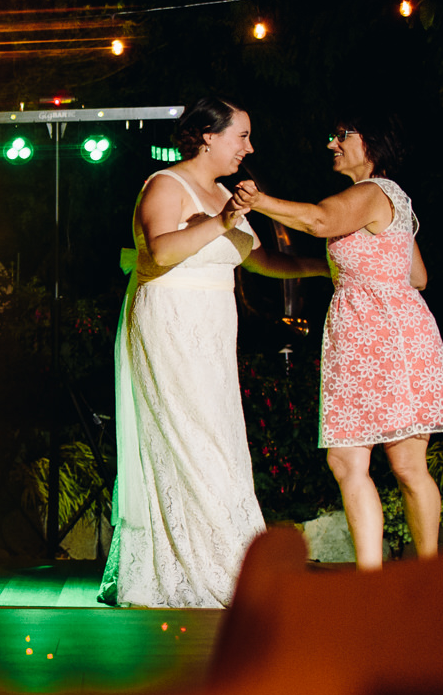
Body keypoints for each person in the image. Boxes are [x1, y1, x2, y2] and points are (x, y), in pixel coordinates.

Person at [101, 98, 327, 608]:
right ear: (207, 135)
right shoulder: (166, 184)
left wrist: (321, 267)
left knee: (221, 442)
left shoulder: (226, 193)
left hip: (214, 334)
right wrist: (223, 220)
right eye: (241, 135)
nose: (249, 146)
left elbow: (260, 260)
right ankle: (195, 568)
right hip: (170, 325)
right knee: (191, 441)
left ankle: (229, 560)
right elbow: (159, 251)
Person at [236, 112, 443, 569]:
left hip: (388, 336)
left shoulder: (375, 191)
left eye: (342, 136)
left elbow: (320, 221)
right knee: (345, 461)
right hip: (361, 335)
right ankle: (371, 583)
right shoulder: (390, 198)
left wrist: (258, 200)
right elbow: (416, 275)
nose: (332, 144)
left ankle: (427, 578)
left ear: (372, 144)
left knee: (407, 466)